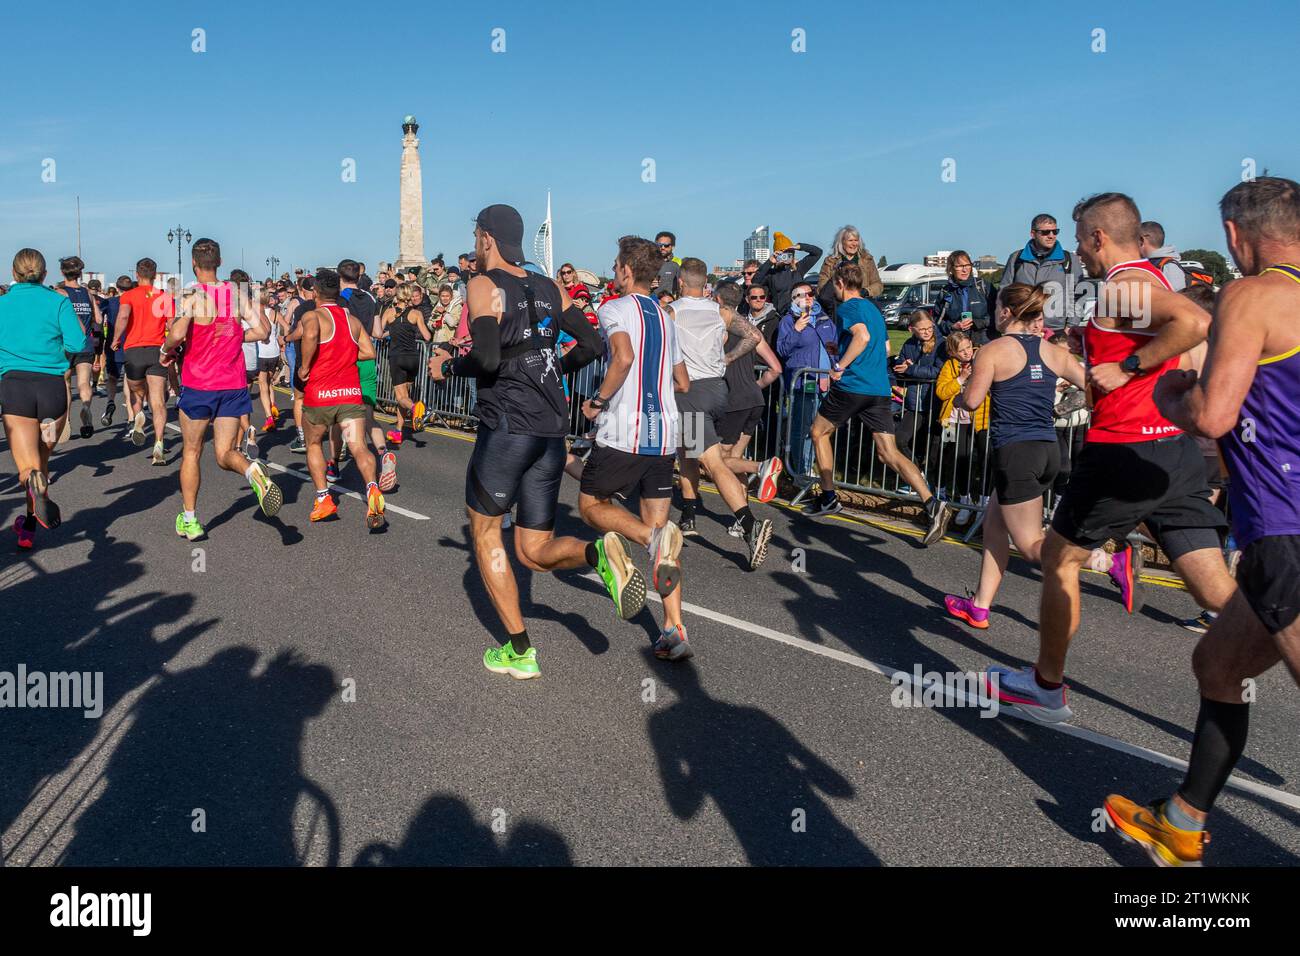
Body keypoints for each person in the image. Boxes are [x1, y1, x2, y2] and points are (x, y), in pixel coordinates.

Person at [1104, 176, 1300, 867]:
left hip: (1287, 526)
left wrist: (1174, 394)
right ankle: (1182, 821)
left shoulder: (1254, 295)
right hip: (1279, 528)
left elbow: (1214, 419)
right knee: (1216, 662)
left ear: (1234, 235)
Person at [984, 192, 1236, 724]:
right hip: (1171, 451)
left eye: (1079, 240)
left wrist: (1129, 369)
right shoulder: (1149, 281)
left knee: (1058, 559)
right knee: (1216, 588)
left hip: (1122, 449)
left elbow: (1192, 322)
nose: (1079, 252)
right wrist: (1101, 347)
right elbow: (1177, 335)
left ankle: (1045, 688)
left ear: (1099, 237)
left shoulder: (1124, 285)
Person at [427, 204, 609, 680]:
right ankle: (597, 553)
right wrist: (548, 371)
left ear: (487, 238)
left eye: (475, 236)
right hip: (551, 427)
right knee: (532, 550)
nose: (474, 244)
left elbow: (486, 357)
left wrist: (447, 366)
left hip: (507, 426)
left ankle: (520, 650)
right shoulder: (551, 286)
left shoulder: (483, 284)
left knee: (486, 532)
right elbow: (592, 347)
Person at [942, 284, 1085, 628]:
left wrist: (958, 398)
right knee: (994, 526)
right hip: (1048, 449)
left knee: (1032, 545)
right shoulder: (1054, 352)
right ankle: (979, 605)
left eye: (996, 308)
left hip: (1016, 453)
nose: (993, 313)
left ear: (1006, 311)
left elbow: (973, 401)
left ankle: (1106, 562)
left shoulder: (993, 350)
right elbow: (1093, 387)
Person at [577, 235, 692, 660]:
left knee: (590, 506)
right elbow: (683, 383)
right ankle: (674, 628)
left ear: (626, 270)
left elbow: (622, 357)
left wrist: (598, 401)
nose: (612, 271)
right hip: (663, 435)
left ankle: (645, 539)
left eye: (615, 264)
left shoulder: (614, 308)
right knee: (665, 534)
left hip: (625, 431)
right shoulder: (666, 317)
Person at [802, 262, 953, 545]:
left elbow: (863, 337)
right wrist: (844, 348)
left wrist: (840, 365)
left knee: (818, 432)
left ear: (840, 283)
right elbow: (882, 347)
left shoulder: (848, 307)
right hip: (879, 389)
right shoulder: (873, 309)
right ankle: (932, 503)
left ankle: (829, 497)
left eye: (834, 284)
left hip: (853, 386)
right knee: (888, 452)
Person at [162, 239, 283, 541]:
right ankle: (253, 472)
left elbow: (177, 333)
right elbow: (265, 331)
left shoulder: (193, 294)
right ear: (219, 262)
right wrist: (232, 335)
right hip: (231, 384)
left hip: (199, 384)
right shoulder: (236, 294)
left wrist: (165, 350)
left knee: (191, 451)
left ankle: (190, 520)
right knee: (225, 452)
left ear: (194, 263)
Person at [668, 257, 774, 569]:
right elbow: (754, 337)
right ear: (705, 283)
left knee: (712, 462)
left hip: (691, 391)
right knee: (688, 453)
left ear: (680, 282)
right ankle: (688, 514)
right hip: (717, 390)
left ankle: (750, 525)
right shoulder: (721, 310)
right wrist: (727, 358)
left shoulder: (672, 310)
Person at [0, 249, 87, 549]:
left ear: (14, 274)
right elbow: (77, 342)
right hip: (52, 393)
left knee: (28, 468)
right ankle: (28, 526)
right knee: (42, 458)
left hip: (16, 390)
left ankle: (29, 525)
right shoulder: (58, 301)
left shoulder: (2, 304)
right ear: (45, 274)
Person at [297, 268, 386, 529]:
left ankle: (324, 499)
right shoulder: (353, 321)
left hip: (320, 393)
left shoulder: (313, 317)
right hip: (349, 392)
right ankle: (372, 490)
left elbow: (310, 336)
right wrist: (346, 358)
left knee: (314, 444)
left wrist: (304, 367)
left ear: (315, 292)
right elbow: (369, 352)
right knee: (359, 446)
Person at [712, 282, 784, 504]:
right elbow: (776, 369)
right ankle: (741, 519)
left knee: (719, 461)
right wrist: (756, 386)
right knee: (735, 459)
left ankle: (761, 466)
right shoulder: (753, 333)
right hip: (755, 400)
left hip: (734, 401)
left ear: (718, 300)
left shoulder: (719, 330)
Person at [111, 257, 175, 464]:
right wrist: (172, 347)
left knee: (136, 393)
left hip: (134, 350)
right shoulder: (164, 297)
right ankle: (159, 443)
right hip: (157, 350)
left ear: (137, 275)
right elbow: (173, 324)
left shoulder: (129, 295)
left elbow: (122, 317)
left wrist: (115, 339)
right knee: (158, 401)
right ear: (155, 276)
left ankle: (138, 417)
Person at [931, 331, 989, 524]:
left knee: (985, 458)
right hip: (953, 419)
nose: (966, 353)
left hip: (981, 418)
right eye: (960, 350)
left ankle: (983, 502)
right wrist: (960, 379)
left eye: (967, 348)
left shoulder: (982, 358)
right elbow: (941, 392)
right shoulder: (950, 366)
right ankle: (964, 501)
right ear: (952, 353)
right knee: (958, 458)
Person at [999, 213, 1087, 332]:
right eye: (1045, 232)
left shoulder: (1069, 260)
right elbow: (1004, 292)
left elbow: (1079, 295)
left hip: (1057, 329)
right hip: (1022, 327)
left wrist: (1070, 326)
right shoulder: (1016, 259)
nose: (1051, 236)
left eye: (1055, 231)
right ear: (1033, 234)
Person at [54, 256, 103, 438]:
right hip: (85, 344)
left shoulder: (59, 293)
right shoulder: (87, 293)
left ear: (62, 272)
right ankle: (85, 407)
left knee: (66, 384)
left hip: (65, 345)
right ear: (80, 273)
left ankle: (66, 420)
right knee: (84, 382)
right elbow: (98, 319)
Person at [891, 310, 946, 466]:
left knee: (930, 448)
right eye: (922, 329)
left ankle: (930, 481)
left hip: (934, 402)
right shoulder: (909, 344)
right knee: (901, 440)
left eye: (930, 328)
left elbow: (939, 371)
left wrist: (911, 369)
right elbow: (900, 364)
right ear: (911, 329)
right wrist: (900, 367)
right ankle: (916, 475)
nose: (927, 332)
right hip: (914, 403)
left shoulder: (941, 344)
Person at [381, 282, 430, 450]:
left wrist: (391, 331)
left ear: (397, 295)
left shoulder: (388, 312)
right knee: (404, 396)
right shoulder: (416, 313)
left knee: (401, 398)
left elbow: (378, 334)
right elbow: (427, 336)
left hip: (397, 358)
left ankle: (416, 407)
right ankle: (398, 431)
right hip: (413, 358)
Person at [816, 225, 883, 318]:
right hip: (838, 307)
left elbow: (878, 285)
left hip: (862, 306)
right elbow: (821, 288)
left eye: (856, 240)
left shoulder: (867, 260)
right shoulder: (830, 261)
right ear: (842, 242)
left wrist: (866, 291)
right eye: (850, 240)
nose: (854, 244)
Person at [752, 231, 822, 316]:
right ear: (777, 254)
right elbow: (755, 281)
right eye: (783, 254)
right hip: (780, 316)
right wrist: (769, 262)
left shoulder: (799, 268)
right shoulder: (771, 274)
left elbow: (818, 252)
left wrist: (798, 246)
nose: (786, 256)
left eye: (789, 253)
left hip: (800, 313)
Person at [932, 250, 994, 344]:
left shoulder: (984, 287)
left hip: (985, 344)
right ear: (951, 269)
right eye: (960, 266)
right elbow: (937, 321)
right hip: (958, 346)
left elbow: (999, 315)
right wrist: (952, 326)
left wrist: (977, 323)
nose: (964, 270)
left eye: (967, 265)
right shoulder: (945, 292)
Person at [99, 274, 132, 427]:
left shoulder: (110, 302)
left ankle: (110, 401)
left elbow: (98, 318)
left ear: (117, 288)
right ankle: (132, 418)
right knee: (129, 381)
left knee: (112, 378)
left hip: (114, 344)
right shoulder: (135, 302)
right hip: (132, 344)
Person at [1139, 220, 1187, 291]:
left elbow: (1178, 298)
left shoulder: (1169, 266)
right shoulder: (1150, 263)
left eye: (1134, 240)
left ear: (1142, 240)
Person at [652, 231, 681, 297]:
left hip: (670, 303)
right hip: (652, 302)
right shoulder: (648, 263)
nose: (662, 247)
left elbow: (681, 288)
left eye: (666, 245)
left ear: (673, 247)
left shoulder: (678, 263)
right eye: (659, 245)